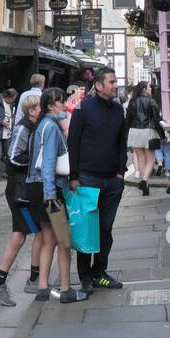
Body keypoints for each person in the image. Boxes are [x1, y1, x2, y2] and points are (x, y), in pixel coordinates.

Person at [25, 87, 90, 303]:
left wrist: (72, 102)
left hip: (35, 187)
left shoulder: (41, 124)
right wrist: (51, 194)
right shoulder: (51, 128)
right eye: (61, 102)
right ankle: (66, 289)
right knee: (64, 240)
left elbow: (64, 114)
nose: (64, 105)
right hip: (49, 189)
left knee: (48, 238)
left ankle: (43, 287)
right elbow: (50, 162)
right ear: (52, 105)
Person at [67, 66, 128, 290]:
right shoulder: (84, 109)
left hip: (112, 179)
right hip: (87, 178)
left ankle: (100, 272)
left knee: (105, 229)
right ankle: (85, 277)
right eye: (111, 82)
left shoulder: (118, 109)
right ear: (99, 85)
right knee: (87, 229)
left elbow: (122, 142)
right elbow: (73, 143)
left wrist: (121, 172)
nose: (115, 86)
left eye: (115, 82)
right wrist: (74, 177)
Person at [0, 96, 44, 305]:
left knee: (20, 237)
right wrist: (38, 160)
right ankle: (31, 280)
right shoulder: (23, 129)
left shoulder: (34, 127)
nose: (42, 110)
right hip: (19, 191)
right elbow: (12, 158)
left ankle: (2, 283)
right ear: (31, 111)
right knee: (37, 233)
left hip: (23, 190)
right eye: (40, 108)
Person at [125, 81, 165, 196]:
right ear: (144, 89)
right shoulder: (152, 101)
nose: (151, 89)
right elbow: (157, 120)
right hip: (148, 131)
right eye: (149, 87)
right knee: (151, 160)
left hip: (134, 131)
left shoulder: (132, 102)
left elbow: (127, 119)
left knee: (141, 159)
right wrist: (162, 135)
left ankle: (145, 187)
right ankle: (144, 180)